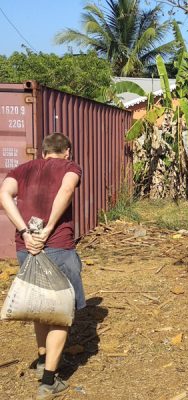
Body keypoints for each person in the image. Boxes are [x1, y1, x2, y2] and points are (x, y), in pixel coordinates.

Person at [0, 132, 84, 399]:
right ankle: (48, 382)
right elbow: (68, 188)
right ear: (67, 151)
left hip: (27, 249)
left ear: (43, 152)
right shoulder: (70, 167)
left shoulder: (22, 169)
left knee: (39, 306)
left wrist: (25, 231)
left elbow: (4, 194)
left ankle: (40, 361)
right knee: (60, 313)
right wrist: (47, 230)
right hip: (58, 247)